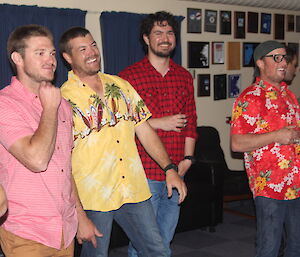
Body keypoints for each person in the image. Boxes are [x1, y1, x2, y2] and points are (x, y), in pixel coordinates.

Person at [59, 26, 187, 257]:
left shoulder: (121, 85)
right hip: (93, 198)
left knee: (157, 251)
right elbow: (62, 163)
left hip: (133, 190)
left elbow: (145, 130)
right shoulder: (63, 100)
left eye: (94, 45)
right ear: (68, 58)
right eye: (82, 49)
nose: (92, 52)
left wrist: (169, 168)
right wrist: (78, 214)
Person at [119, 11, 197, 257]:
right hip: (144, 174)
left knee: (164, 239)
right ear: (146, 39)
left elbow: (191, 122)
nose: (165, 38)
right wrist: (160, 122)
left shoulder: (184, 76)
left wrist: (188, 160)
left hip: (177, 172)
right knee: (143, 242)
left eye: (170, 33)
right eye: (158, 33)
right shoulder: (128, 78)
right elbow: (122, 126)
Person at [0, 24, 79, 257]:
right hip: (27, 232)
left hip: (66, 229)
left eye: (52, 53)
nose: (50, 60)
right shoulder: (5, 104)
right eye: (40, 53)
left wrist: (80, 217)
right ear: (18, 58)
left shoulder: (61, 104)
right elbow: (37, 159)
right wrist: (50, 109)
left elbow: (66, 168)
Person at [231, 40, 300, 257]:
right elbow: (237, 143)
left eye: (285, 58)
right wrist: (276, 136)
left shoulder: (289, 96)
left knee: (296, 246)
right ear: (260, 62)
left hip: (296, 183)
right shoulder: (250, 98)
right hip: (270, 187)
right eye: (276, 58)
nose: (283, 63)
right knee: (269, 247)